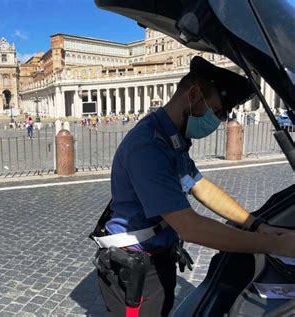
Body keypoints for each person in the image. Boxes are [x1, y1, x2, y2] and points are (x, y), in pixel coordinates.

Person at [90, 56, 295, 316]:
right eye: (218, 111)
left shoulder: (172, 137)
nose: (220, 121)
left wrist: (257, 225)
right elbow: (190, 227)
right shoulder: (148, 147)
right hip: (135, 266)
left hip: (158, 254)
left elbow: (199, 186)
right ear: (195, 94)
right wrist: (274, 246)